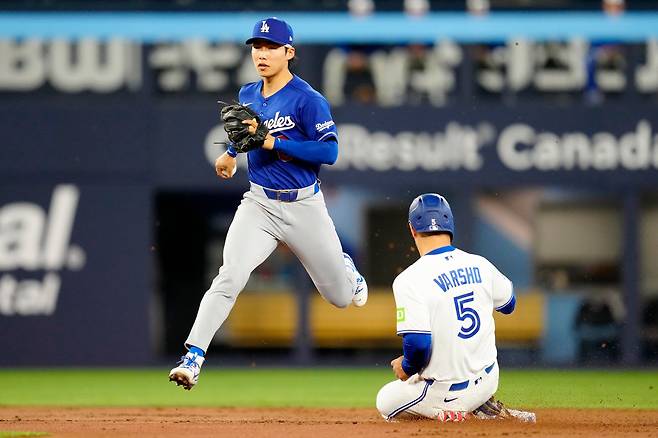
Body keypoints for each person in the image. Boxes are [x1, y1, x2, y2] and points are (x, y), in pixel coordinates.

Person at [169, 17, 368, 390]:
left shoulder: (309, 100)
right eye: (257, 47)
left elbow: (330, 151)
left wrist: (277, 144)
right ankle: (193, 357)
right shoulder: (247, 93)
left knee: (341, 298)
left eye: (270, 47)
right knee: (229, 276)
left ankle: (346, 269)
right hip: (259, 204)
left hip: (304, 205)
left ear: (288, 52)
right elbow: (245, 135)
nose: (261, 54)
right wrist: (230, 154)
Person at [375, 193, 533, 422]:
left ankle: (448, 413)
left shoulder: (409, 279)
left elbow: (418, 345)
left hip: (446, 392)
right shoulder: (480, 264)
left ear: (412, 229)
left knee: (385, 400)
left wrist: (406, 366)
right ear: (450, 225)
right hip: (488, 380)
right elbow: (509, 304)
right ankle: (484, 407)